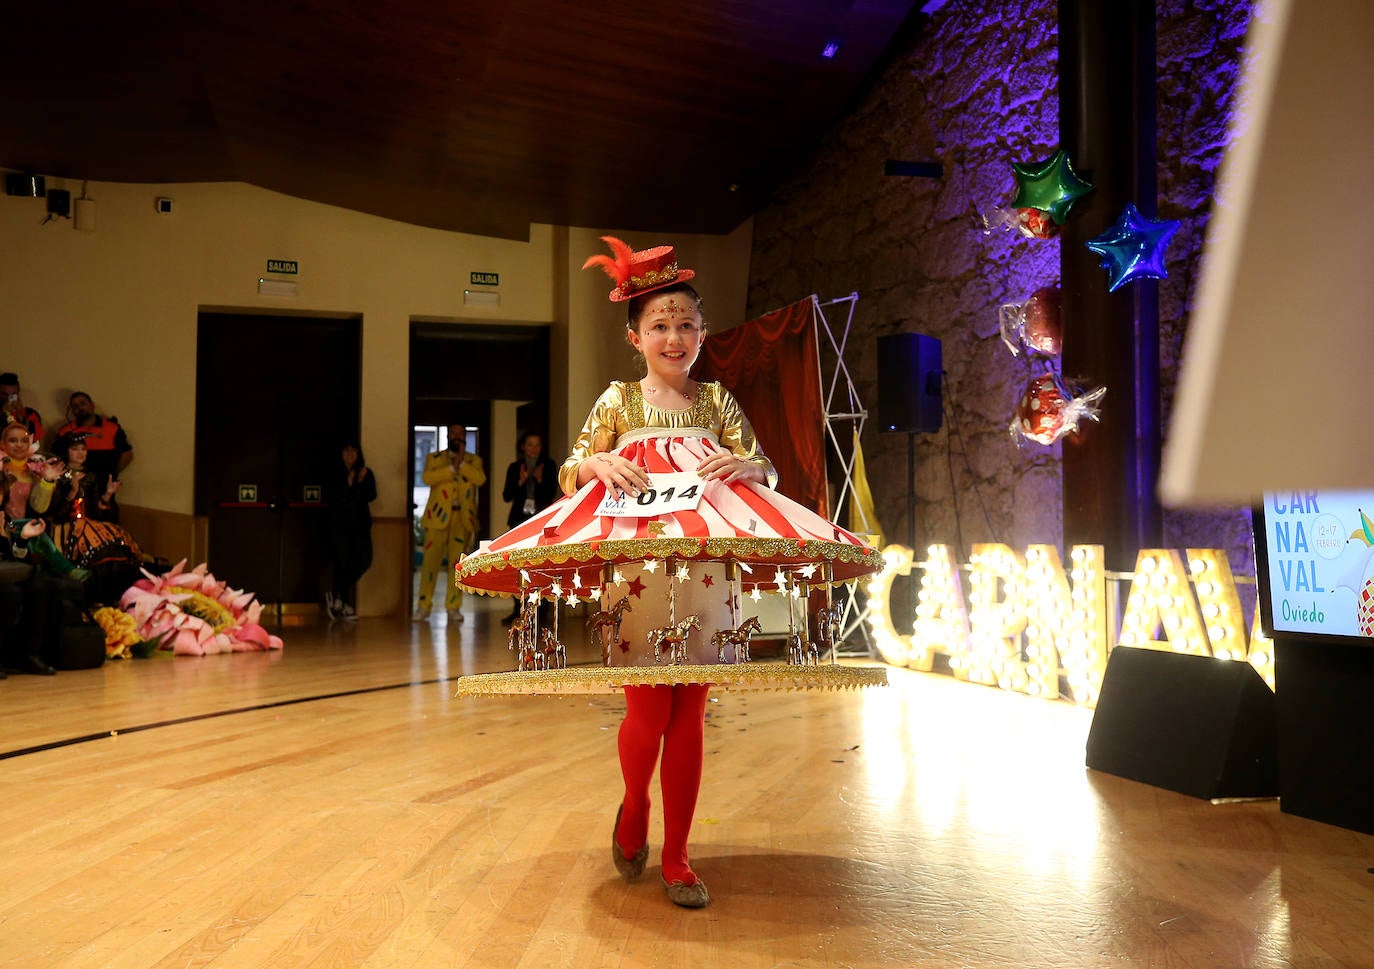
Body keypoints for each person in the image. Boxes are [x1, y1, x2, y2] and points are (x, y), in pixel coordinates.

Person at [453, 238, 882, 910]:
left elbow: (762, 468)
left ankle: (678, 855)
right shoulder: (619, 401)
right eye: (660, 325)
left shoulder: (717, 402)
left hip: (709, 567)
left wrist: (751, 467)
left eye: (686, 324)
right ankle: (633, 805)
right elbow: (570, 471)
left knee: (691, 711)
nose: (674, 336)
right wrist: (593, 466)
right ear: (635, 336)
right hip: (638, 568)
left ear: (702, 333)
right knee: (648, 708)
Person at [45, 432, 143, 603]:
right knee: (92, 539)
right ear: (66, 451)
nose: (81, 453)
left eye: (84, 449)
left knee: (117, 537)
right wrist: (71, 495)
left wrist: (107, 496)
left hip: (89, 523)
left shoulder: (91, 477)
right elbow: (54, 513)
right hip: (67, 526)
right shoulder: (57, 476)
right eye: (75, 449)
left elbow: (98, 514)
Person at [416, 427, 485, 622]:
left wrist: (462, 462)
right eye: (453, 434)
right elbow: (427, 478)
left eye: (460, 434)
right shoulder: (435, 458)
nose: (457, 437)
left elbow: (480, 479)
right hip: (437, 518)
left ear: (464, 437)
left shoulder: (474, 461)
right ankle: (423, 606)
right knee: (430, 563)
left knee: (457, 565)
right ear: (448, 437)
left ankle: (453, 607)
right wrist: (452, 468)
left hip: (462, 518)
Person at [498, 431, 557, 625]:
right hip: (519, 521)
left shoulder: (548, 466)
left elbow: (551, 495)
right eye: (529, 444)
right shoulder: (515, 467)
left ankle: (541, 612)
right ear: (522, 446)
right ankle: (519, 611)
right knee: (518, 566)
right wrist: (520, 482)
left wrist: (540, 481)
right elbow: (507, 496)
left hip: (541, 521)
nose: (533, 449)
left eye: (537, 445)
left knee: (540, 566)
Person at [324, 442, 376, 620]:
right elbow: (332, 497)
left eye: (354, 450)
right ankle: (342, 603)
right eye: (346, 450)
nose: (350, 454)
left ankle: (336, 594)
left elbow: (371, 496)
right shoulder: (334, 473)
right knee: (342, 562)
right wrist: (348, 483)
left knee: (364, 560)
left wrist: (360, 482)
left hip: (360, 526)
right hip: (339, 526)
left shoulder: (365, 472)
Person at [53, 391, 133, 480]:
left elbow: (127, 455)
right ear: (72, 410)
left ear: (92, 405)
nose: (80, 408)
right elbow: (55, 458)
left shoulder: (112, 428)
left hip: (104, 484)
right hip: (73, 483)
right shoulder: (65, 431)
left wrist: (112, 474)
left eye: (83, 403)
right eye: (75, 406)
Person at [0, 372, 44, 444]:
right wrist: (3, 413)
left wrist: (20, 416)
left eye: (13, 395)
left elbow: (33, 439)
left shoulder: (30, 414)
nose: (8, 399)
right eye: (4, 394)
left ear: (18, 393)